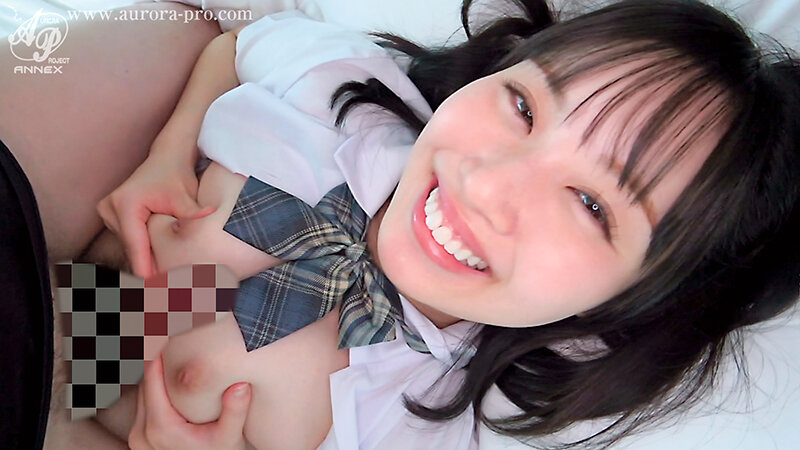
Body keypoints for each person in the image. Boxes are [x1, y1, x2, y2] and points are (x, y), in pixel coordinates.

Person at [33, 0, 800, 448]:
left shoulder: (419, 419)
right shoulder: (345, 102)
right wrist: (167, 155)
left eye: (592, 204)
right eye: (524, 106)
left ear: (636, 302)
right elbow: (236, 44)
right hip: (41, 254)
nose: (487, 182)